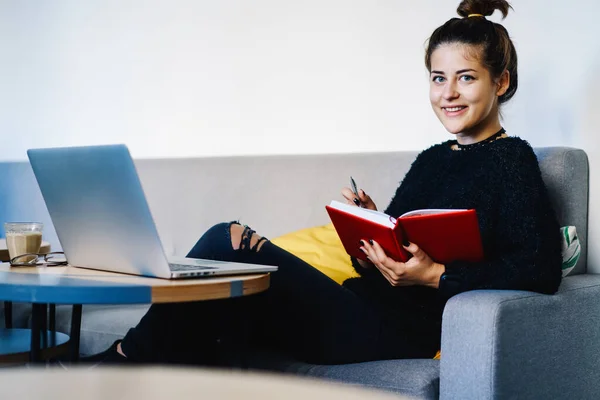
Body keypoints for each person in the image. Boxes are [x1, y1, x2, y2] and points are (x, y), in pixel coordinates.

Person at [85, 0, 562, 366]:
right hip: (358, 303)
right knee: (220, 304)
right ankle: (133, 373)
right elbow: (391, 244)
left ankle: (122, 361)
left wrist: (434, 275)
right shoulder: (433, 159)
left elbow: (539, 268)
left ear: (500, 83)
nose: (448, 93)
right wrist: (370, 231)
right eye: (438, 78)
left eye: (466, 78)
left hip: (400, 332)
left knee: (227, 241)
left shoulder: (512, 160)